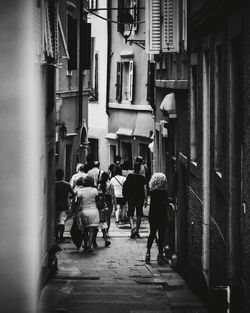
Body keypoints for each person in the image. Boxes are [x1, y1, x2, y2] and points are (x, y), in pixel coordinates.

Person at [145, 173, 172, 265]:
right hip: (161, 216)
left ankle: (148, 252)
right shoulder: (164, 192)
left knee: (152, 234)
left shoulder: (152, 192)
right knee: (161, 236)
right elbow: (165, 203)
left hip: (152, 215)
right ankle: (160, 255)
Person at [75, 175, 100, 253]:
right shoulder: (95, 190)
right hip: (93, 211)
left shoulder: (80, 191)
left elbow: (77, 203)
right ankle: (90, 246)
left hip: (84, 212)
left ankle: (85, 244)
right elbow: (97, 201)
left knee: (85, 229)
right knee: (92, 230)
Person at [122, 162, 147, 239]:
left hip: (131, 197)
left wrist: (125, 195)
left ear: (134, 168)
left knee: (130, 214)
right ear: (139, 169)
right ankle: (137, 231)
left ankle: (133, 228)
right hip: (140, 197)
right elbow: (145, 189)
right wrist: (146, 199)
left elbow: (125, 186)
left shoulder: (129, 176)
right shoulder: (142, 177)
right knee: (139, 214)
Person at [55, 169, 74, 241]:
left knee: (56, 221)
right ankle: (61, 236)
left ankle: (56, 236)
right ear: (63, 175)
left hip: (55, 205)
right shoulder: (67, 184)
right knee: (62, 221)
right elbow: (73, 194)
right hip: (64, 205)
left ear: (56, 175)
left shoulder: (54, 185)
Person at [98, 172, 114, 236]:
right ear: (108, 177)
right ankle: (107, 231)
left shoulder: (100, 185)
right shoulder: (110, 184)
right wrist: (115, 203)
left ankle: (103, 232)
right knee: (108, 218)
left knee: (102, 218)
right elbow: (113, 195)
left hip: (102, 202)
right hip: (109, 201)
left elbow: (98, 193)